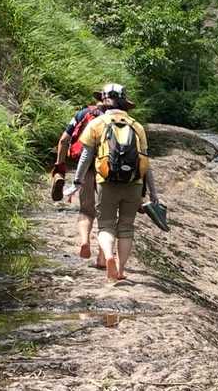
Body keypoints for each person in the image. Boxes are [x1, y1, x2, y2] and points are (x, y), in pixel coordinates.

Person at [67, 86, 158, 283]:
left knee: (106, 225)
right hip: (134, 183)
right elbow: (146, 162)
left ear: (104, 101)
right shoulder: (136, 126)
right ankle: (121, 269)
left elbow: (85, 156)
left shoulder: (97, 123)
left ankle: (108, 255)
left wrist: (77, 181)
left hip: (106, 182)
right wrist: (153, 193)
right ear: (125, 103)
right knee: (126, 227)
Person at [55, 88, 110, 265]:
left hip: (85, 168)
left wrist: (59, 167)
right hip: (107, 169)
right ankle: (102, 257)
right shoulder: (116, 118)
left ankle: (85, 240)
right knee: (107, 215)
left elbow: (64, 140)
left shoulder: (83, 114)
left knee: (86, 210)